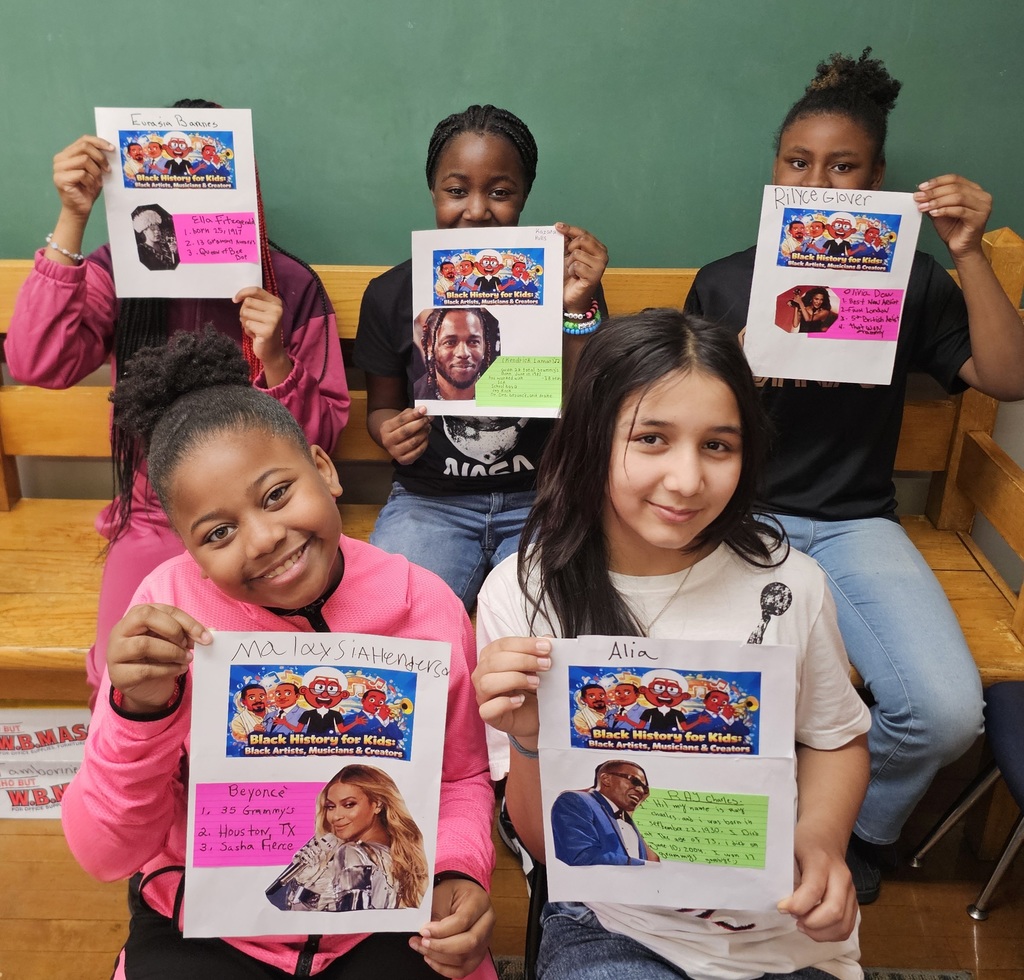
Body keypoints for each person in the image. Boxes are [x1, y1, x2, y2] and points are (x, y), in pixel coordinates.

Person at [682, 48, 1024, 904]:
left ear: (876, 182)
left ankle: (857, 831)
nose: (820, 182)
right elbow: (675, 431)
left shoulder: (913, 284)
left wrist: (969, 253)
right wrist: (731, 391)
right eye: (799, 163)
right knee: (707, 694)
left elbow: (1009, 376)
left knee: (946, 713)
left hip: (856, 524)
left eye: (845, 168)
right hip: (737, 521)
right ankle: (716, 836)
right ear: (776, 171)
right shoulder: (726, 284)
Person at [60, 329, 496, 980]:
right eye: (219, 532)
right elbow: (104, 852)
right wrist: (138, 712)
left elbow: (459, 778)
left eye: (275, 494)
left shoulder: (425, 606)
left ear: (323, 469)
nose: (263, 539)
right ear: (188, 550)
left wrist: (462, 868)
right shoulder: (165, 618)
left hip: (378, 918)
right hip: (203, 926)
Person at [473, 310, 871, 980]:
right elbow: (549, 847)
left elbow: (834, 737)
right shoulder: (521, 594)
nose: (687, 480)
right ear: (591, 439)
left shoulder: (792, 585)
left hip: (780, 923)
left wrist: (822, 843)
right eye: (652, 438)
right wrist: (528, 740)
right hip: (616, 926)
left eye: (718, 446)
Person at [6, 99, 350, 707]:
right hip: (153, 521)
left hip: (264, 521)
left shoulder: (288, 285)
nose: (181, 217)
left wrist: (274, 359)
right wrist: (71, 218)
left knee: (282, 687)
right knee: (129, 673)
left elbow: (324, 438)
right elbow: (37, 361)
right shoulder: (121, 276)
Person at [354, 104, 608, 612]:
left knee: (546, 624)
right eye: (456, 190)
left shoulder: (564, 287)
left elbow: (589, 404)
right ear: (432, 190)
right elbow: (380, 409)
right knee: (396, 617)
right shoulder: (390, 293)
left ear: (524, 197)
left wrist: (578, 307)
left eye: (499, 191)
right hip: (429, 504)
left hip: (542, 503)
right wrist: (389, 432)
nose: (475, 209)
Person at [273, 765, 428, 912]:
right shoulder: (396, 857)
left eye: (348, 805)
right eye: (330, 806)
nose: (336, 816)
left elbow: (351, 917)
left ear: (377, 804)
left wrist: (305, 886)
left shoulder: (351, 853)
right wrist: (310, 878)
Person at [550, 760, 658, 867]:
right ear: (606, 779)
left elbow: (653, 862)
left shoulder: (629, 820)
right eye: (635, 781)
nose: (640, 790)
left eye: (645, 789)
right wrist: (643, 866)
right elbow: (581, 855)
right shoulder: (576, 800)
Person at [413, 307, 501, 401]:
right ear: (429, 346)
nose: (463, 353)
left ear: (485, 345)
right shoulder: (414, 397)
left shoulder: (501, 394)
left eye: (473, 342)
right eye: (450, 342)